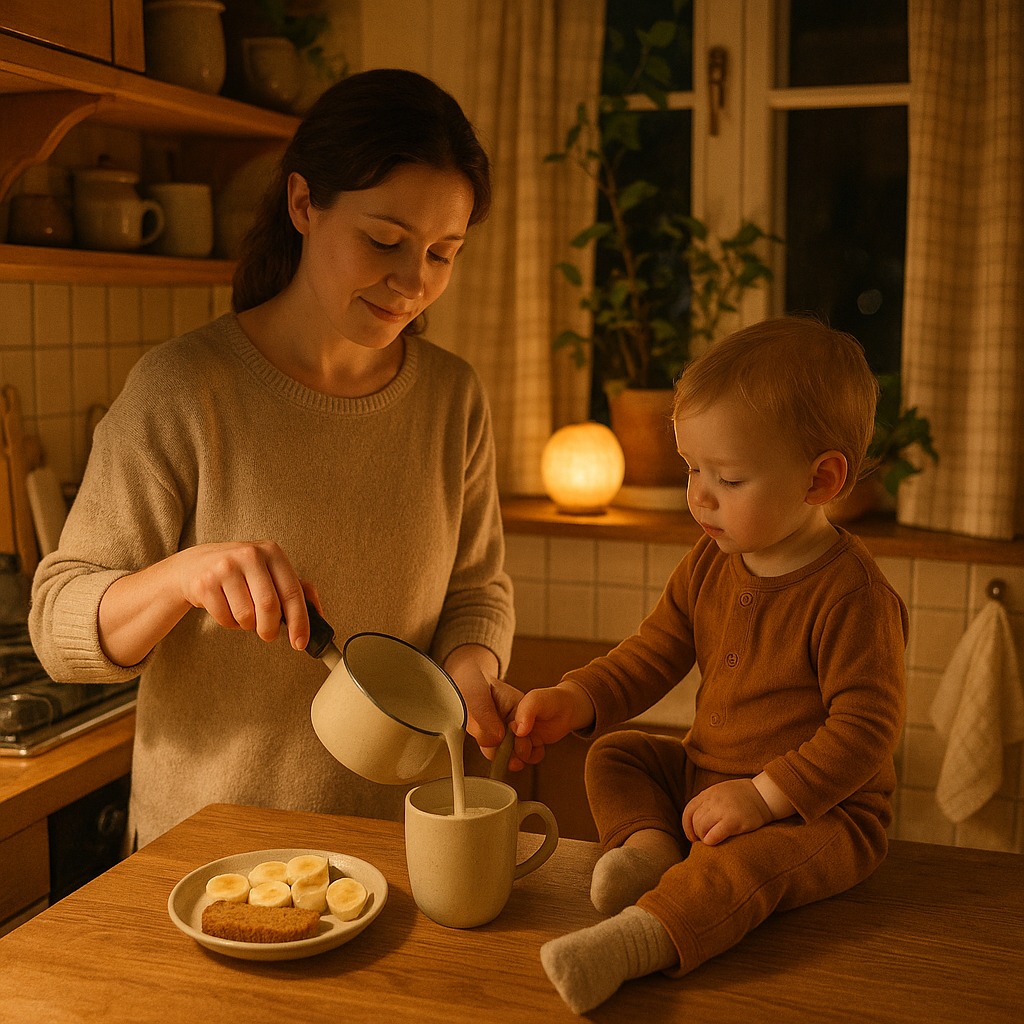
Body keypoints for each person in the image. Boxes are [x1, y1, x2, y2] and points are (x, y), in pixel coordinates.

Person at [29, 68, 521, 851]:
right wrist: (181, 576)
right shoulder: (185, 387)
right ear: (303, 204)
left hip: (399, 849)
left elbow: (476, 588)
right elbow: (57, 629)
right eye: (385, 241)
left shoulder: (450, 397)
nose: (413, 282)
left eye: (442, 253)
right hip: (211, 855)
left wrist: (468, 674)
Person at [511, 315, 908, 1014]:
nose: (699, 494)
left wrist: (762, 797)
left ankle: (636, 941)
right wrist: (575, 698)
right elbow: (653, 652)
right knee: (616, 754)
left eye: (726, 476)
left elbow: (868, 730)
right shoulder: (709, 560)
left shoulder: (854, 593)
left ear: (821, 479)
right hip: (707, 778)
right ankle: (653, 853)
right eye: (691, 468)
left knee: (742, 867)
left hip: (820, 817)